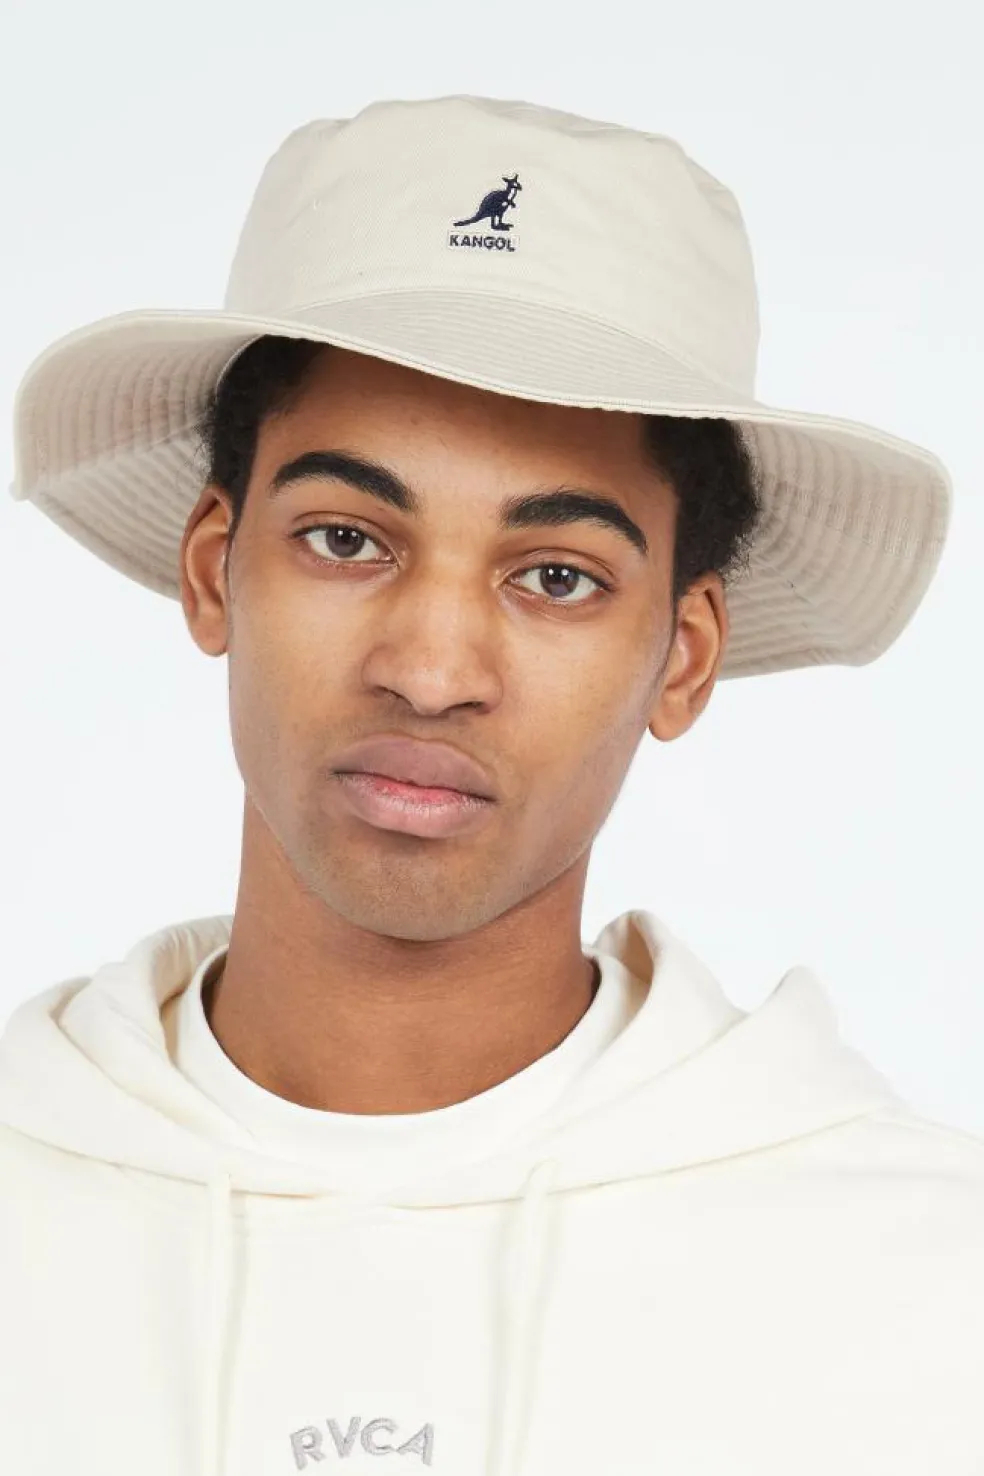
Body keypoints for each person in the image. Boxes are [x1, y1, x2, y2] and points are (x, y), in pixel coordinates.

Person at [0, 94, 980, 1476]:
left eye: (557, 577)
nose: (429, 670)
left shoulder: (929, 1289)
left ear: (684, 656)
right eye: (346, 539)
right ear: (215, 571)